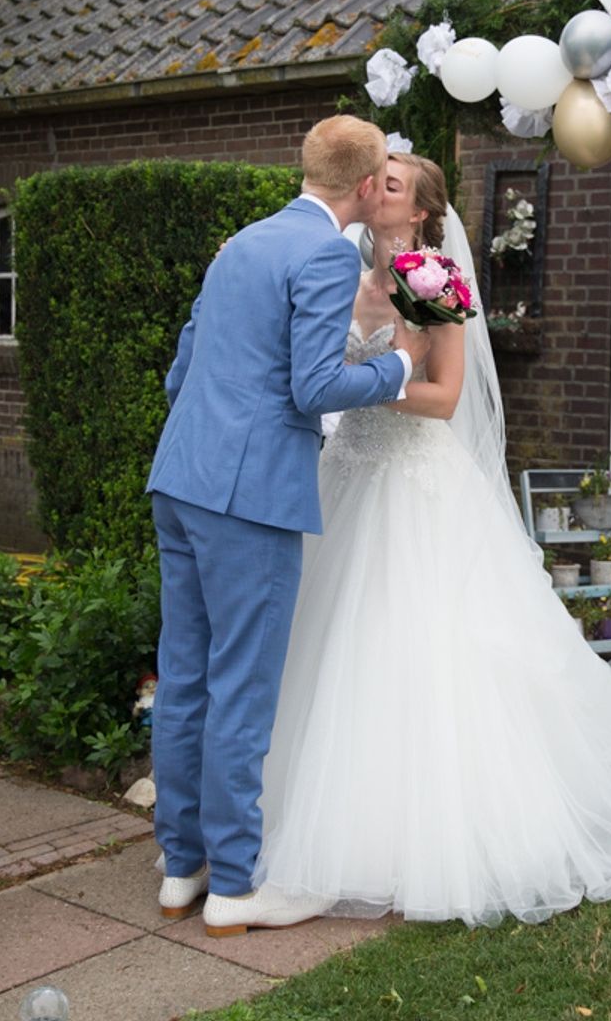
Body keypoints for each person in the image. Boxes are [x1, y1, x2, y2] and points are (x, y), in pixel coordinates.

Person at [238, 153, 611, 932]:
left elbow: (446, 397)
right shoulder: (337, 271)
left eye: (392, 184)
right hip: (347, 477)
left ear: (421, 212)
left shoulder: (436, 281)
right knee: (327, 640)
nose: (376, 189)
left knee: (405, 644)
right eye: (375, 178)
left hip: (413, 486)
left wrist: (375, 384)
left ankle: (382, 839)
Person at [145, 116, 429, 934]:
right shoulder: (326, 254)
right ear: (366, 185)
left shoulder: (241, 243)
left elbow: (181, 372)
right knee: (241, 687)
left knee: (185, 678)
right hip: (250, 495)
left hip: (181, 476)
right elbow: (313, 387)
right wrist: (400, 364)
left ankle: (181, 867)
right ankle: (233, 883)